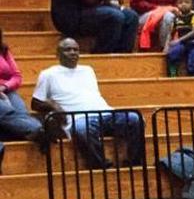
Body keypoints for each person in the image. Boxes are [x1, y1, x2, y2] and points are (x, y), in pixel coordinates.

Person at [31, 38, 143, 169]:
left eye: (76, 49)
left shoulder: (88, 70)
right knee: (81, 129)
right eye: (68, 49)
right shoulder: (48, 74)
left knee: (134, 118)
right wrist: (53, 105)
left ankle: (134, 163)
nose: (73, 53)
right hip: (79, 118)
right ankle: (101, 165)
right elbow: (35, 103)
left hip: (106, 113)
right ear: (58, 54)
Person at [0, 28, 45, 145]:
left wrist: (4, 87)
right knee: (7, 112)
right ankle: (40, 129)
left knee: (20, 111)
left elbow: (17, 76)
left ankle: (36, 131)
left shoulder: (3, 50)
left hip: (6, 89)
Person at [165, 0, 194, 77]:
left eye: (186, 2)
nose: (183, 4)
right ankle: (172, 75)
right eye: (180, 2)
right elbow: (170, 33)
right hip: (182, 44)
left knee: (192, 64)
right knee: (172, 54)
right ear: (177, 5)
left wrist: (179, 40)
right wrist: (166, 46)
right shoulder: (176, 19)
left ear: (192, 4)